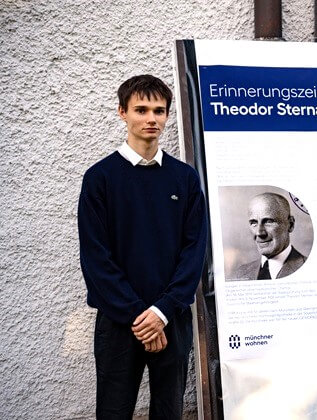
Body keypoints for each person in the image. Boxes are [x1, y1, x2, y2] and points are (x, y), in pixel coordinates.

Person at [78, 74, 207, 419]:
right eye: (141, 109)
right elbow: (95, 258)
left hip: (172, 318)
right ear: (122, 112)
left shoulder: (185, 179)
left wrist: (162, 312)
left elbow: (194, 251)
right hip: (121, 321)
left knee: (169, 412)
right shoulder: (100, 178)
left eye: (159, 111)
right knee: (114, 411)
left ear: (167, 115)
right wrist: (140, 317)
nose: (151, 118)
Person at [231, 193, 306, 280]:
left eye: (268, 221)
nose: (259, 233)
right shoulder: (241, 273)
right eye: (254, 223)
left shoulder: (309, 269)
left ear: (290, 225)